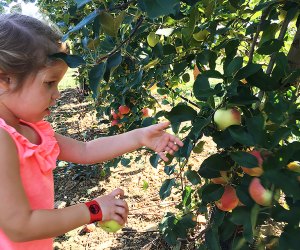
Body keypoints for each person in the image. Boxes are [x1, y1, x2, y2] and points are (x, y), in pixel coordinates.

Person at [0, 13, 183, 250]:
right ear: (4, 79)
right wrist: (93, 210)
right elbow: (19, 226)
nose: (57, 94)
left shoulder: (31, 130)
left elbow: (85, 150)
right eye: (49, 83)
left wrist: (139, 136)